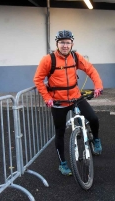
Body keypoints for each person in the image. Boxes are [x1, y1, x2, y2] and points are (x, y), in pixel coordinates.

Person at [33, 30, 103, 175]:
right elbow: (38, 80)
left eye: (67, 42)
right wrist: (47, 98)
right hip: (58, 101)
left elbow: (90, 70)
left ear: (72, 44)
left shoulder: (75, 57)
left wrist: (98, 85)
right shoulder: (48, 60)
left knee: (94, 118)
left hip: (75, 97)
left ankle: (96, 139)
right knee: (60, 132)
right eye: (62, 42)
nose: (65, 45)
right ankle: (62, 163)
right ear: (57, 44)